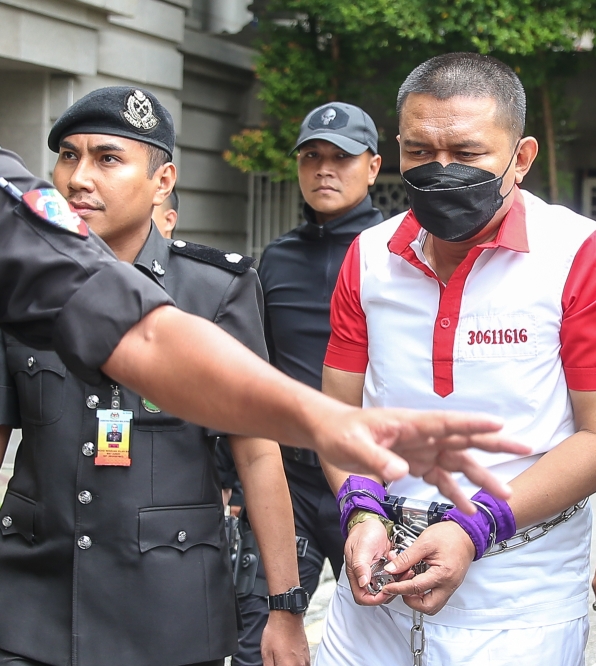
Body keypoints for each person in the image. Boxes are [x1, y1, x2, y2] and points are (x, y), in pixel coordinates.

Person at [315, 52, 596, 665]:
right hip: (373, 595)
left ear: (520, 158)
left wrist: (477, 526)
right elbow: (338, 417)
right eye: (420, 153)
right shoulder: (366, 256)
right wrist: (359, 508)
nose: (441, 172)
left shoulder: (582, 255)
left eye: (467, 155)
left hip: (520, 600)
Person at [0, 145, 529, 512]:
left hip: (354, 471)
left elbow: (144, 337)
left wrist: (328, 423)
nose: (79, 178)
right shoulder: (282, 256)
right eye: (69, 155)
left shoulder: (14, 214)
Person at [0, 85, 308, 666]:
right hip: (30, 606)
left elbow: (258, 454)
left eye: (107, 158)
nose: (78, 178)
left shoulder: (215, 289)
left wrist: (284, 606)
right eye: (68, 155)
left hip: (169, 615)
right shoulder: (20, 285)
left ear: (163, 182)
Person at [230, 101, 385, 666]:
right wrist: (231, 478)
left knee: (380, 636)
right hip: (288, 482)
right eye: (312, 156)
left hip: (371, 483)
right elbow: (254, 369)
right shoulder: (275, 258)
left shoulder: (399, 250)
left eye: (341, 158)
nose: (324, 169)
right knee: (259, 639)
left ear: (372, 167)